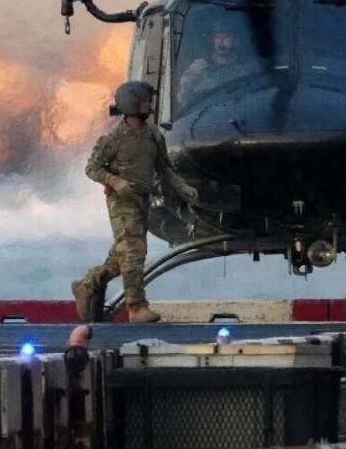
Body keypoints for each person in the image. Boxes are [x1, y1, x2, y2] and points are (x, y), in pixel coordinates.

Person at [71, 81, 198, 324]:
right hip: (121, 201)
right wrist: (115, 181)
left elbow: (164, 168)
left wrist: (183, 188)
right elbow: (92, 168)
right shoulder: (114, 138)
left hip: (142, 199)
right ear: (132, 104)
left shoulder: (153, 134)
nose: (150, 105)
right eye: (145, 101)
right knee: (134, 252)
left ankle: (87, 285)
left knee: (123, 256)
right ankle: (137, 307)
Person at [176, 20, 243, 105]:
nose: (220, 41)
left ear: (235, 41)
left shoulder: (246, 65)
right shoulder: (201, 68)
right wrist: (192, 76)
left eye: (226, 37)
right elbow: (182, 99)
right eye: (217, 37)